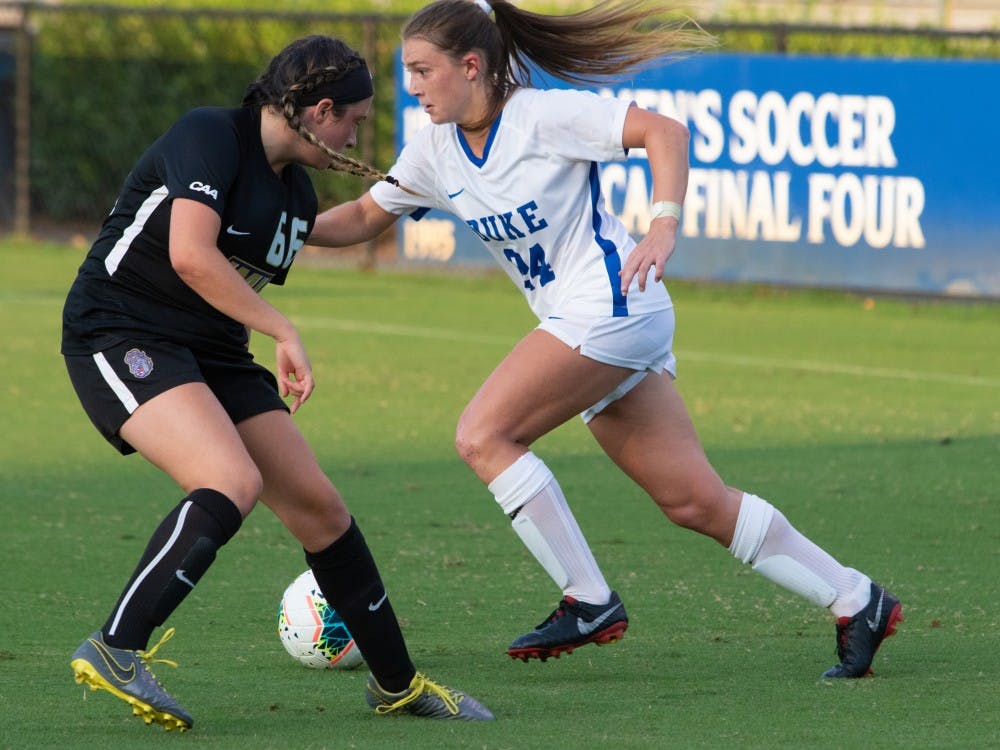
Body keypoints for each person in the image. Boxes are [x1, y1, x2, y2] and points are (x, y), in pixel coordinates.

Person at [307, 0, 903, 679]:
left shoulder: (541, 116)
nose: (411, 85)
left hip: (612, 305)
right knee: (693, 502)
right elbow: (359, 218)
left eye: (422, 69)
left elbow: (665, 133)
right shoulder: (435, 148)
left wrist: (663, 223)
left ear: (470, 66)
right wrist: (281, 224)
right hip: (592, 320)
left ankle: (589, 599)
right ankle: (858, 599)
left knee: (483, 434)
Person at [62, 35, 493, 731]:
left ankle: (397, 685)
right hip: (120, 331)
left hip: (213, 352)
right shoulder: (210, 135)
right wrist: (283, 330)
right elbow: (191, 256)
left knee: (321, 511)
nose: (358, 131)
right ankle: (117, 647)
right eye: (353, 118)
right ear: (320, 109)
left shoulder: (294, 191)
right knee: (231, 481)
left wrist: (433, 194)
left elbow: (328, 229)